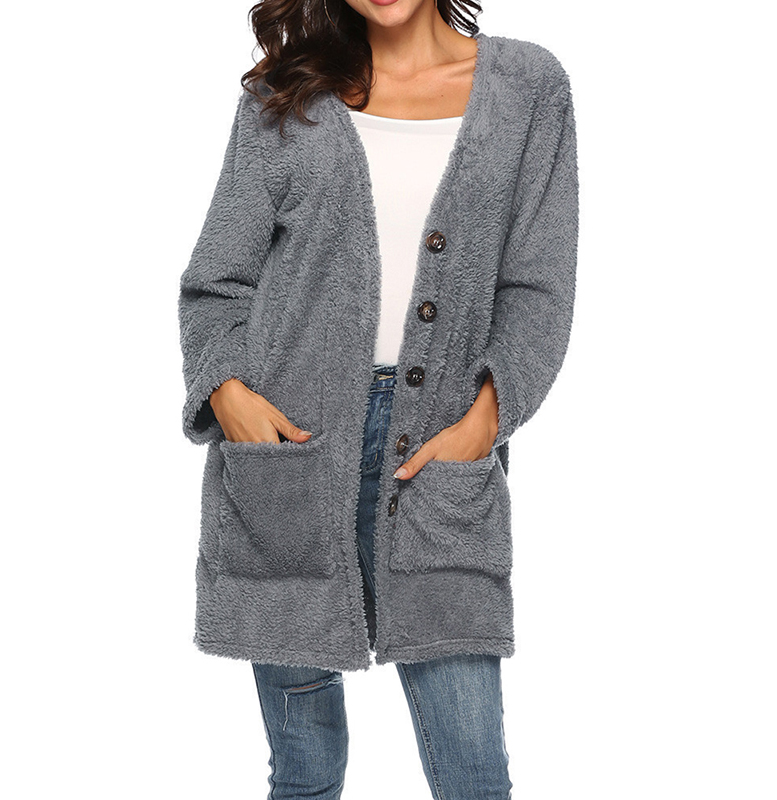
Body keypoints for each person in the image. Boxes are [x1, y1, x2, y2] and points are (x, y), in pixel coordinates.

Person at [178, 1, 579, 797]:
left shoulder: (529, 86)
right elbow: (217, 282)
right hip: (288, 452)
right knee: (305, 770)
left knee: (472, 771)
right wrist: (229, 395)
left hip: (439, 456)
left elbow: (538, 287)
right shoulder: (284, 96)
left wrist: (484, 424)